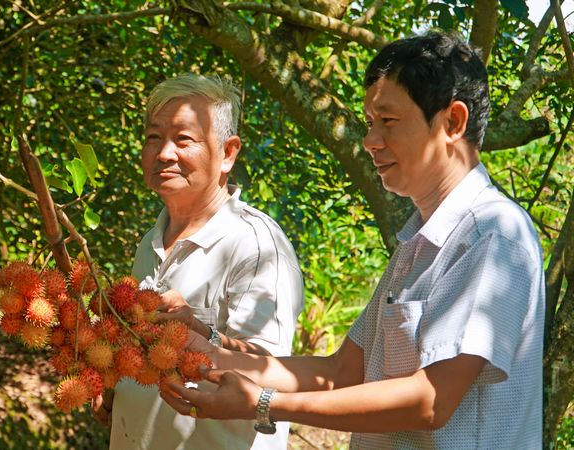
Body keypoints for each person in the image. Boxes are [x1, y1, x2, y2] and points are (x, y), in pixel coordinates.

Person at [160, 31, 545, 449]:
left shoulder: (493, 235)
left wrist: (264, 403)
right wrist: (203, 348)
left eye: (388, 122)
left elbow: (430, 399)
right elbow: (342, 371)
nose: (370, 141)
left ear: (453, 122)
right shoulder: (417, 241)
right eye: (368, 123)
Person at [95, 73, 305, 449]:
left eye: (183, 139)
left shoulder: (257, 246)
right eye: (153, 137)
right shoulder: (149, 243)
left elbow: (270, 373)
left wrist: (198, 327)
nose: (163, 153)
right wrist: (114, 381)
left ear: (228, 153)